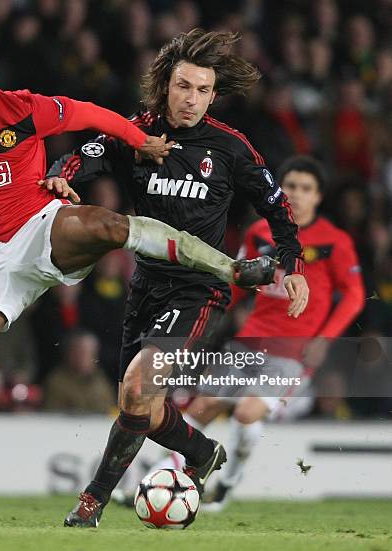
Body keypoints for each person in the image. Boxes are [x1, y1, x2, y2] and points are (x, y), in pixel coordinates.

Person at [0, 33, 273, 526]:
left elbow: (91, 114)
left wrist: (141, 141)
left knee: (109, 225)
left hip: (42, 227)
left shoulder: (25, 108)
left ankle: (228, 267)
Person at [47, 29, 309, 527]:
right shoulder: (138, 134)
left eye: (203, 90)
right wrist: (63, 173)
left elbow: (277, 205)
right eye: (184, 86)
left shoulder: (230, 147)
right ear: (166, 84)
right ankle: (203, 451)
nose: (192, 100)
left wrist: (293, 265)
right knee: (138, 402)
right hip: (145, 284)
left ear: (214, 94)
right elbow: (86, 156)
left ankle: (92, 501)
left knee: (138, 387)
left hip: (199, 289)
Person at [158, 155, 365, 511]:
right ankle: (163, 477)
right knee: (204, 403)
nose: (297, 195)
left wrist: (324, 338)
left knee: (246, 412)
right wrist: (210, 315)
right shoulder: (258, 233)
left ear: (318, 197)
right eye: (291, 187)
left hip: (294, 351)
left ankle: (227, 482)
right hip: (250, 339)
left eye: (306, 189)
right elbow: (237, 283)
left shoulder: (335, 241)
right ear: (279, 191)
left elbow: (355, 295)